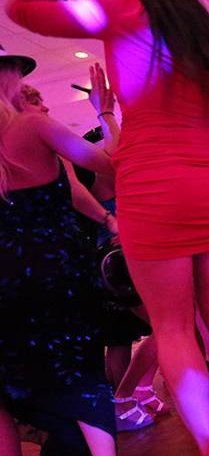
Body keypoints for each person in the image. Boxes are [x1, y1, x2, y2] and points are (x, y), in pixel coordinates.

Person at [6, 0, 209, 452]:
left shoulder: (120, 10)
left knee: (172, 328)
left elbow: (22, 8)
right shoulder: (206, 36)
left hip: (153, 186)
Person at [0, 48, 116, 455]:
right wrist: (105, 114)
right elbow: (111, 165)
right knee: (83, 377)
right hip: (56, 273)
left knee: (8, 388)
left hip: (5, 280)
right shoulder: (34, 126)